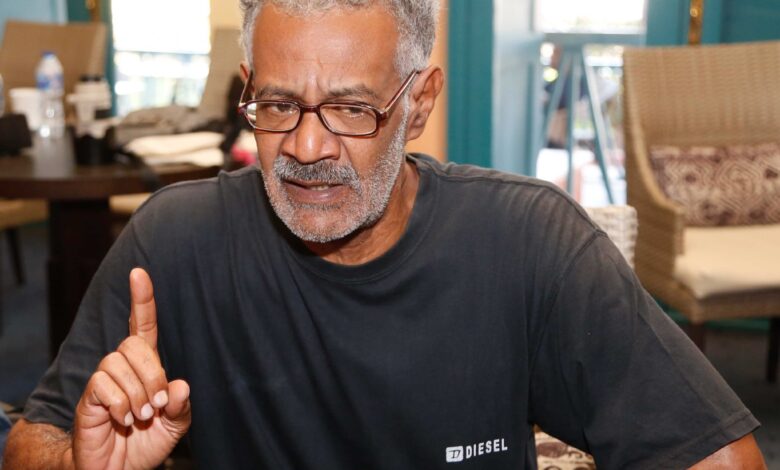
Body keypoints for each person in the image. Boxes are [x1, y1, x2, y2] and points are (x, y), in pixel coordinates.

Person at [1, 1, 768, 468]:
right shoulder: (174, 241)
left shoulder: (528, 243)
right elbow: (31, 441)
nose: (306, 148)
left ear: (420, 102)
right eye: (278, 105)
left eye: (350, 109)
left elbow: (720, 457)